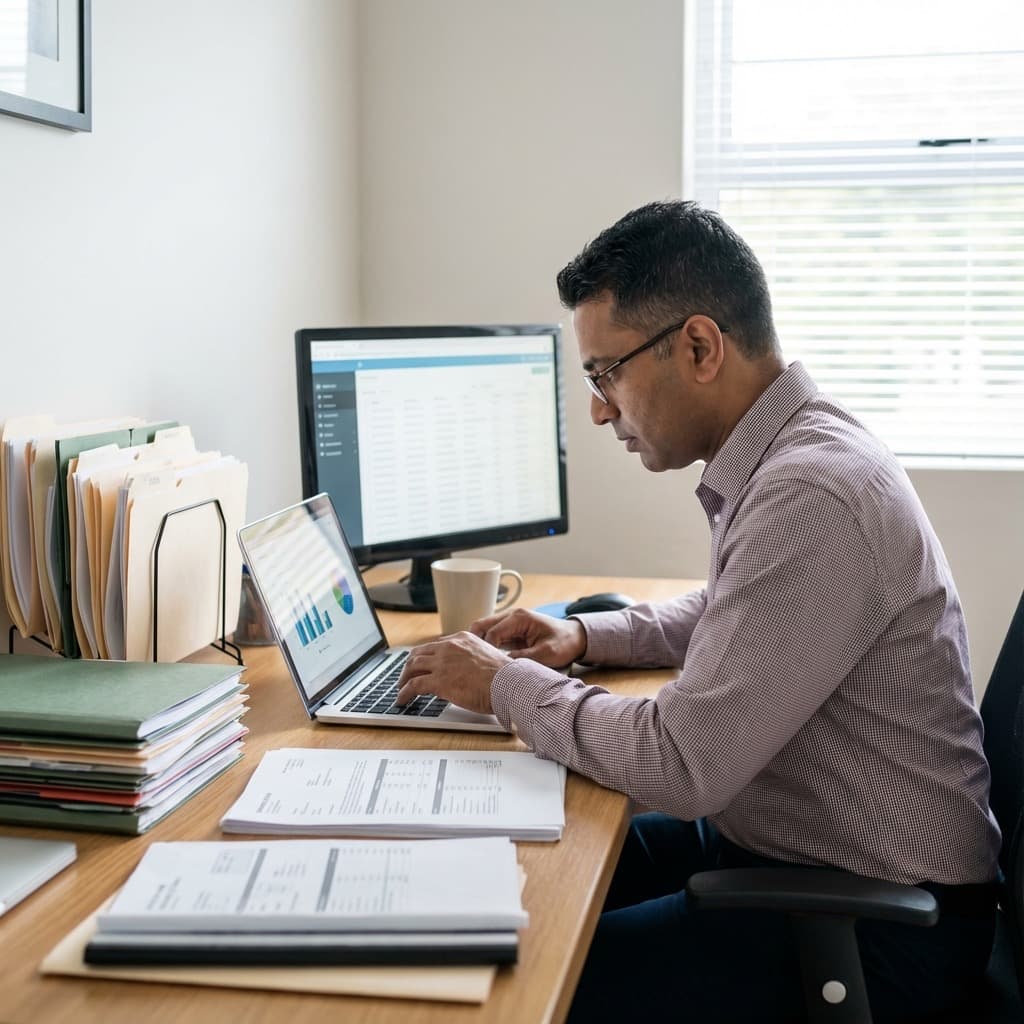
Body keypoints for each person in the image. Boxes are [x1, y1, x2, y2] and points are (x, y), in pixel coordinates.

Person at [396, 200, 1000, 1021]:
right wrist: (583, 636)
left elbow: (681, 764)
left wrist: (503, 685)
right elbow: (731, 610)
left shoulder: (813, 492)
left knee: (519, 984)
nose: (601, 409)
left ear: (700, 347)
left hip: (871, 931)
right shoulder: (797, 453)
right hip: (799, 859)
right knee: (505, 892)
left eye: (605, 373)